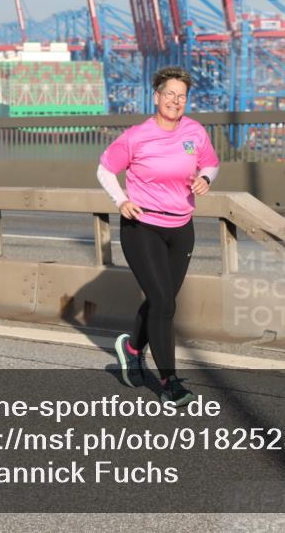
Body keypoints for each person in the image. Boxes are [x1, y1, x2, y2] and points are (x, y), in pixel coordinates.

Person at [96, 66, 219, 407]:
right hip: (143, 227)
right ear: (156, 97)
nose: (176, 101)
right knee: (165, 303)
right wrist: (121, 200)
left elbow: (211, 163)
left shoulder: (195, 131)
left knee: (158, 300)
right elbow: (105, 168)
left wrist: (206, 179)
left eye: (182, 96)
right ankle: (169, 382)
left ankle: (132, 348)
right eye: (170, 95)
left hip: (181, 229)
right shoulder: (137, 136)